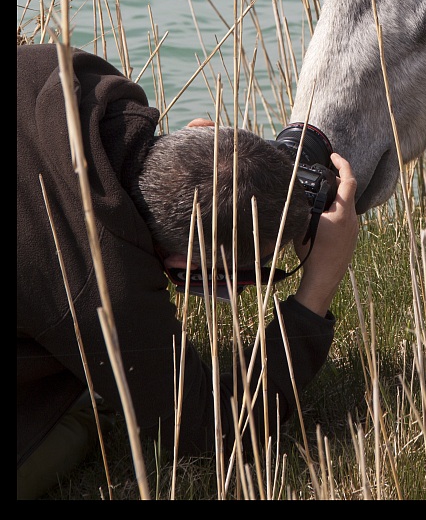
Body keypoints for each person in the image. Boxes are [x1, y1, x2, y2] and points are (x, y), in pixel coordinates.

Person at [17, 42, 359, 499]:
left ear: (199, 128)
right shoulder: (101, 284)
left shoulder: (67, 73)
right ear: (187, 266)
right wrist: (316, 290)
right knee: (84, 411)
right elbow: (212, 431)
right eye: (244, 276)